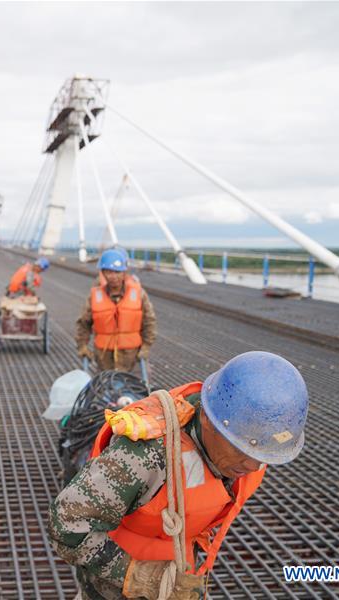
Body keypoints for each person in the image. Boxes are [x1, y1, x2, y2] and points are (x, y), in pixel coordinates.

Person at [48, 351, 309, 600]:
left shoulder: (254, 452)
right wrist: (140, 578)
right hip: (113, 589)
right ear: (206, 419)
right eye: (241, 449)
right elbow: (67, 524)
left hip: (181, 573)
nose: (253, 466)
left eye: (264, 456)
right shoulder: (145, 456)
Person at [76, 248, 156, 372]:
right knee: (105, 383)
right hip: (104, 357)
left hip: (132, 357)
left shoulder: (138, 294)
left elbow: (149, 321)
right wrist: (82, 346)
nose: (113, 277)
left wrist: (146, 346)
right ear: (103, 273)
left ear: (124, 272)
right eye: (109, 272)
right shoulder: (95, 296)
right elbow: (83, 323)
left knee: (139, 382)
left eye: (117, 272)